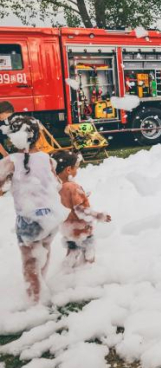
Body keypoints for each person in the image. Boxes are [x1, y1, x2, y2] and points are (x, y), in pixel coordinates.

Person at [0, 116, 64, 303]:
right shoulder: (47, 159)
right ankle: (41, 287)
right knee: (43, 252)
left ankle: (35, 301)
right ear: (37, 136)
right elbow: (57, 184)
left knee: (30, 264)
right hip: (51, 219)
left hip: (29, 221)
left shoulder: (10, 161)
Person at [51, 150, 111, 268]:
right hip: (81, 227)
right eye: (75, 168)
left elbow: (65, 203)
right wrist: (99, 216)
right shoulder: (73, 187)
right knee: (89, 249)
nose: (76, 171)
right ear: (68, 170)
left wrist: (82, 195)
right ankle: (89, 270)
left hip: (67, 227)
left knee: (72, 250)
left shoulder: (57, 187)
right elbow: (81, 210)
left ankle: (66, 272)